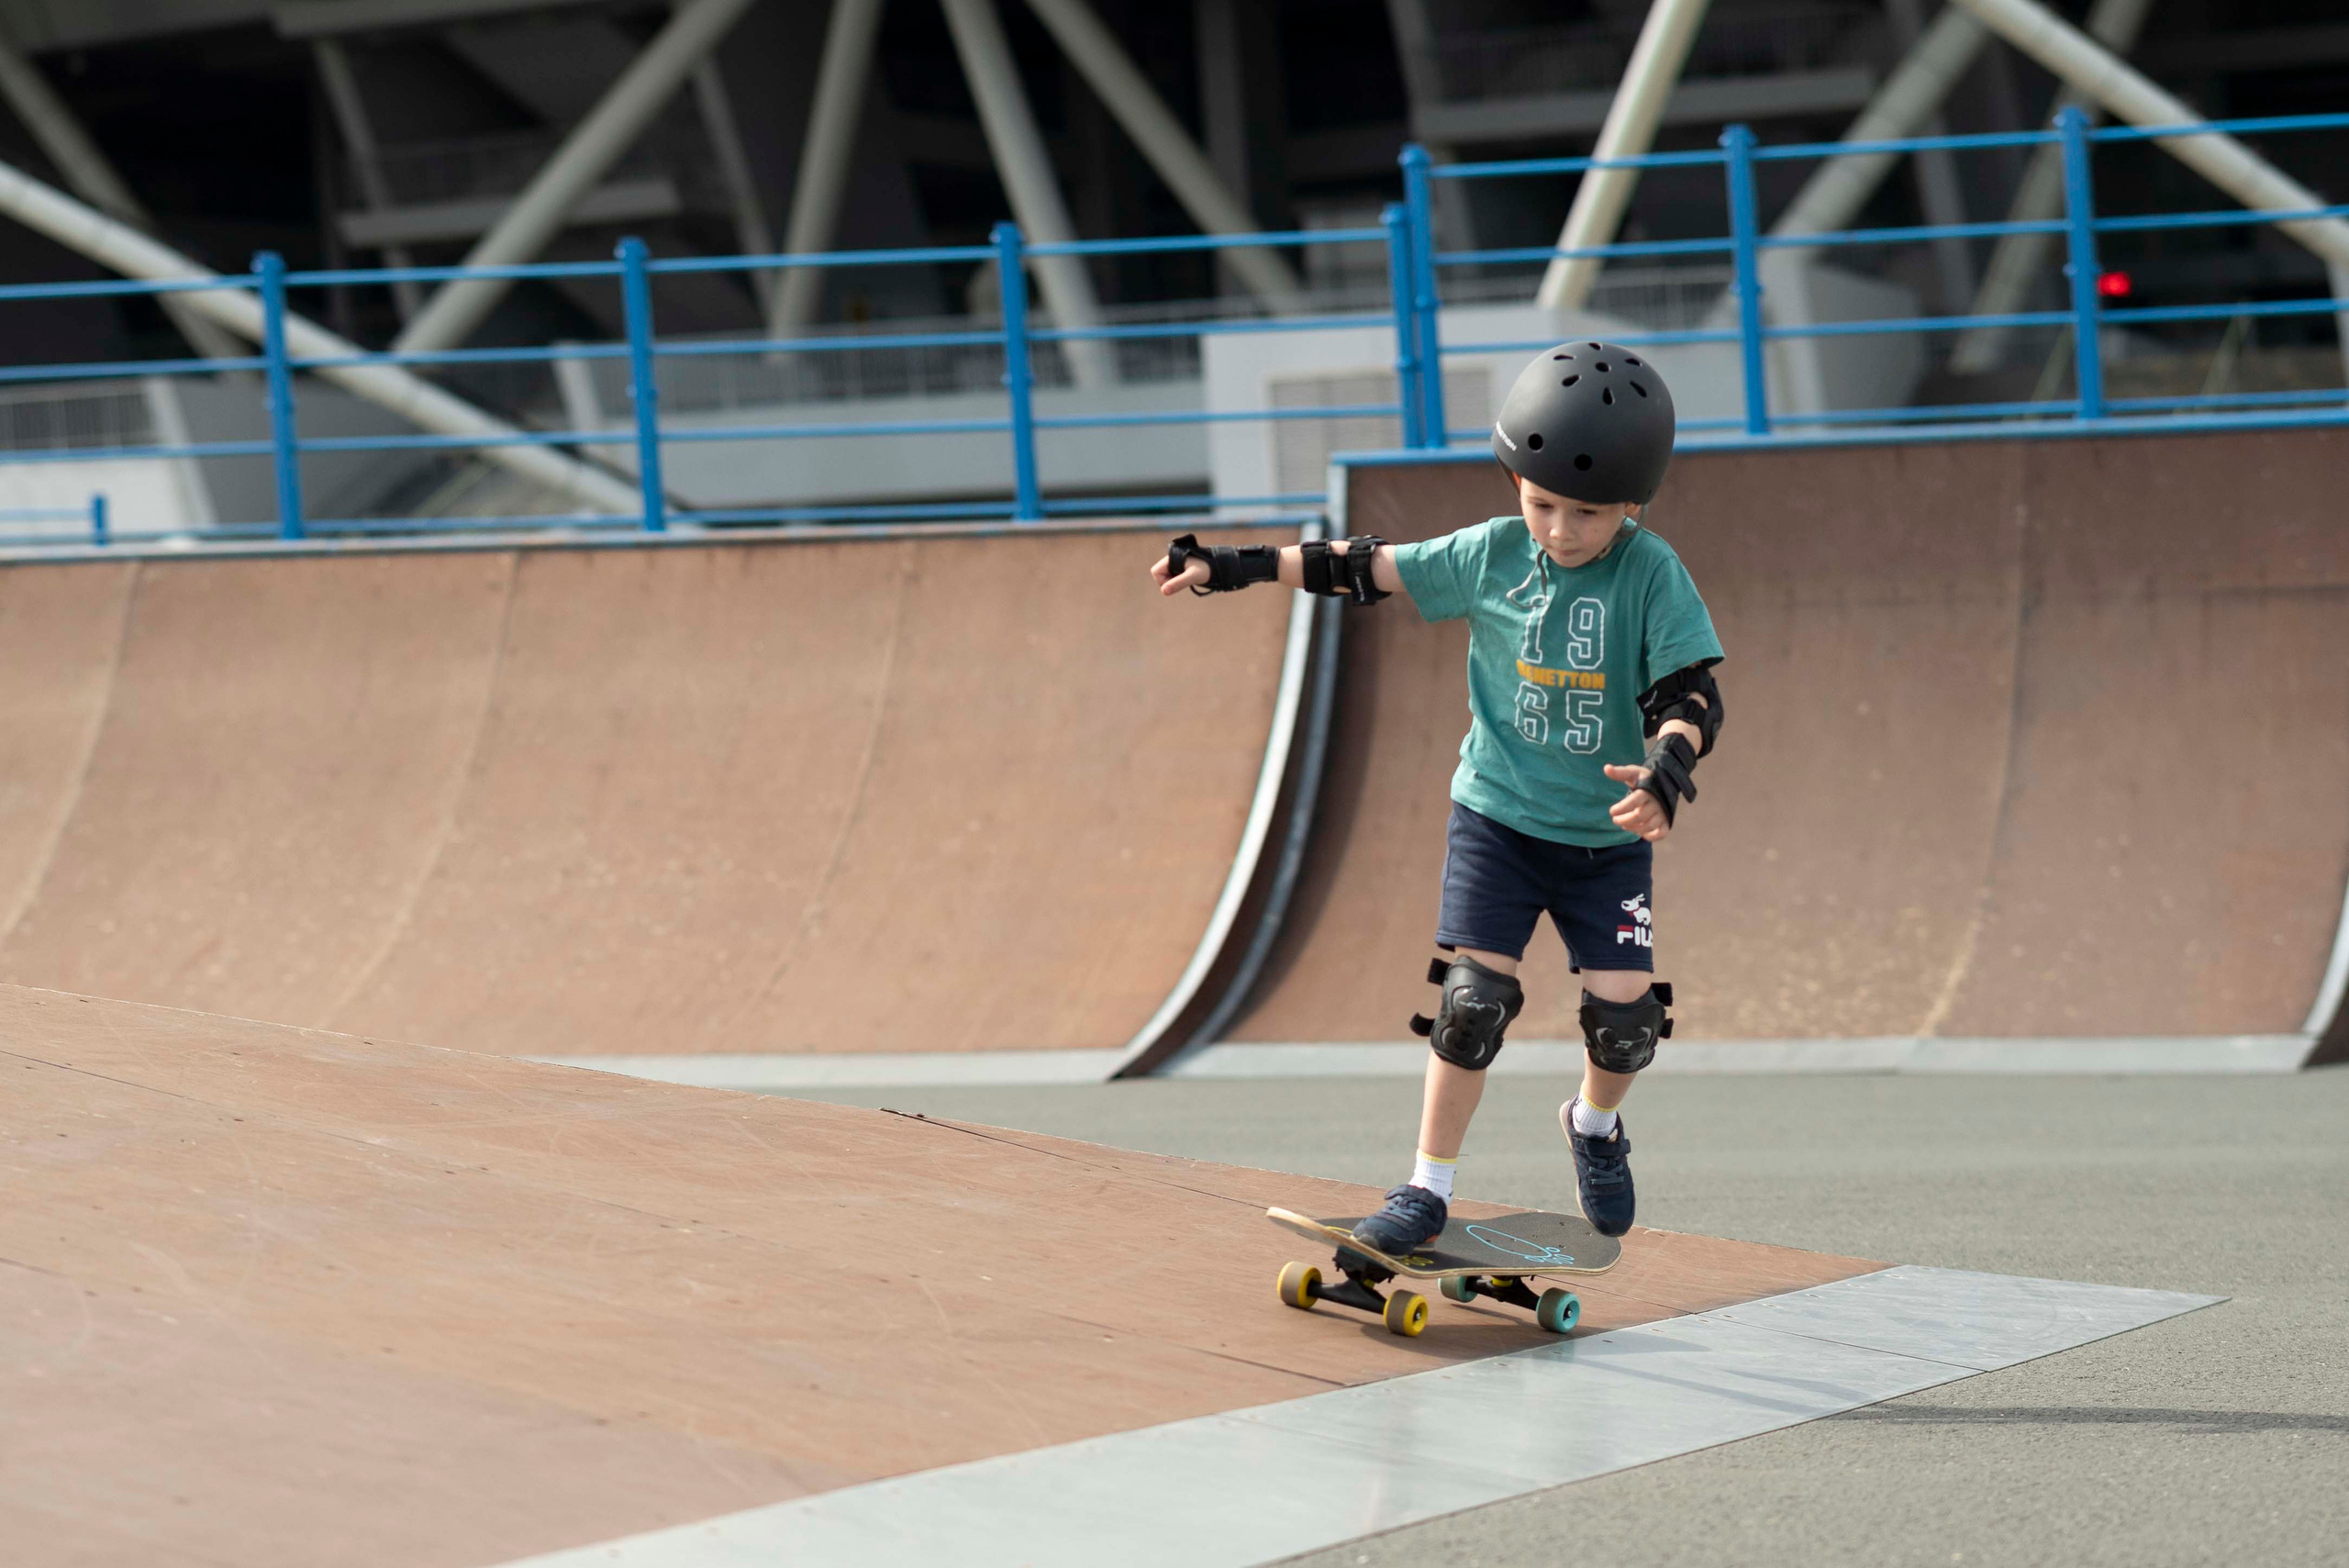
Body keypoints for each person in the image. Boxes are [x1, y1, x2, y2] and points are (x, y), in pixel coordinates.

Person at [1151, 341, 1722, 1250]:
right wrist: (1236, 564)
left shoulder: (1650, 573)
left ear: (1632, 505)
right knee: (1471, 1000)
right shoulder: (1489, 554)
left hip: (1602, 841)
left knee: (1626, 1022)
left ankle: (1592, 1125)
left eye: (1588, 512)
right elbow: (1360, 566)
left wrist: (1666, 769)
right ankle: (1426, 1187)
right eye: (1541, 504)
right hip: (1495, 816)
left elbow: (1688, 691)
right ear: (1512, 483)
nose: (1562, 530)